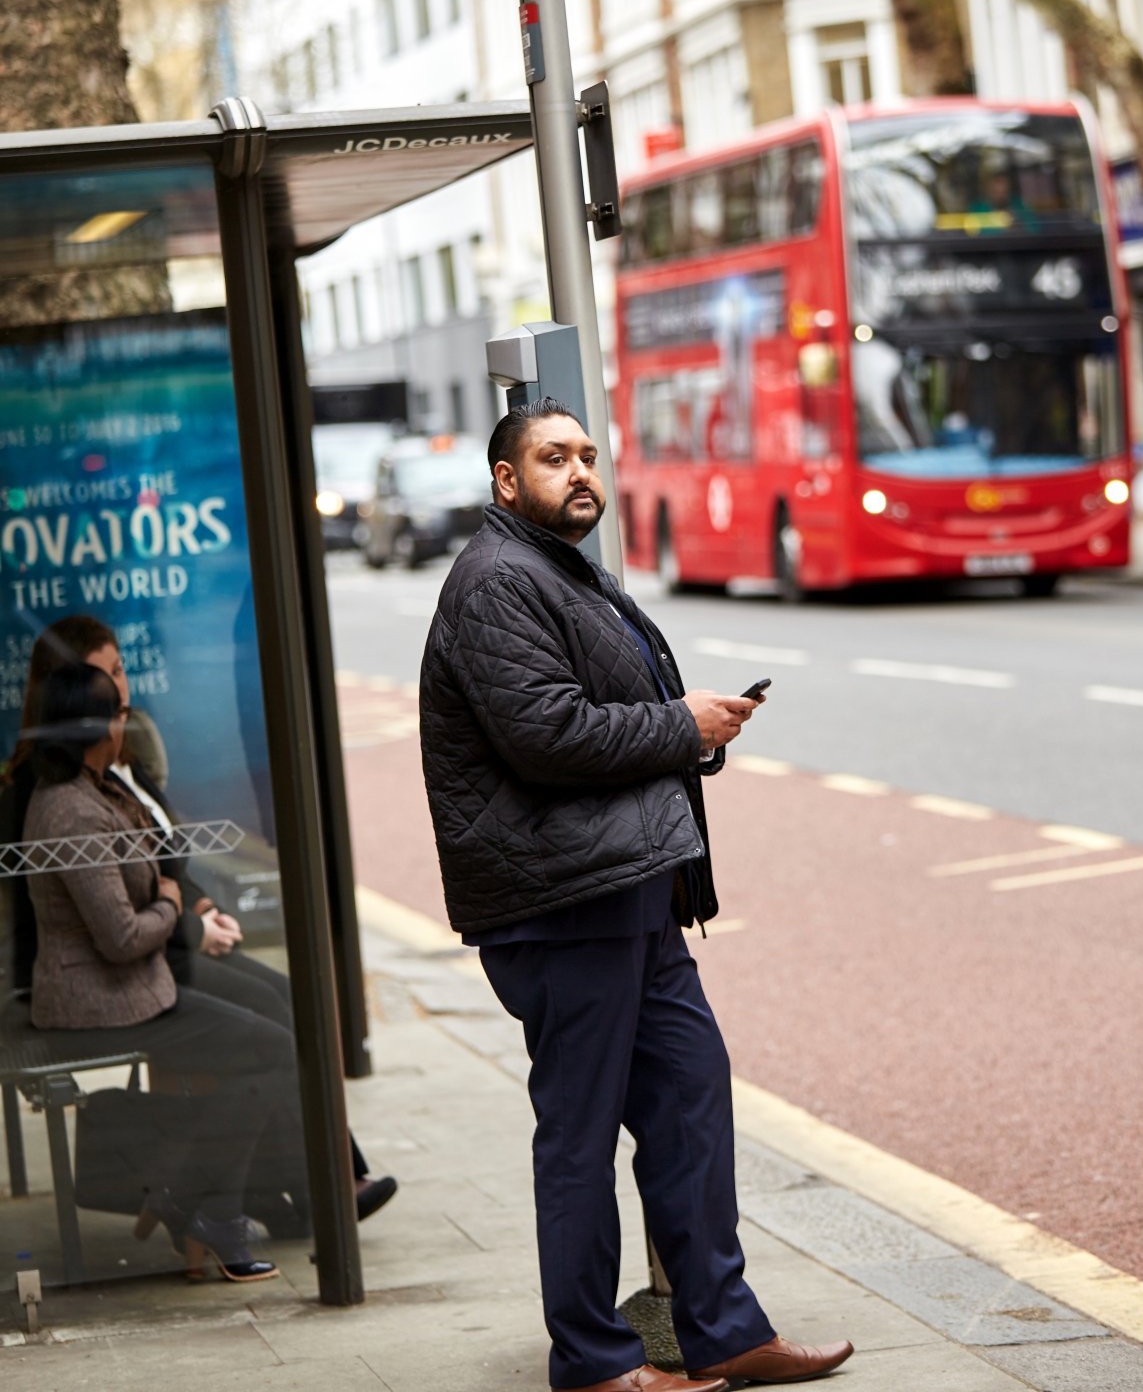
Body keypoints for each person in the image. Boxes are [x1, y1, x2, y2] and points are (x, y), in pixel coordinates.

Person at [419, 398, 853, 1392]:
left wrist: (692, 728)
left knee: (692, 1098)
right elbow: (548, 736)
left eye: (587, 454)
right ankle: (595, 1361)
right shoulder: (495, 580)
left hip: (630, 896)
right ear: (505, 481)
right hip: (561, 905)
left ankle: (722, 1330)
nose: (580, 471)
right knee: (578, 1136)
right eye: (553, 457)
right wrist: (679, 724)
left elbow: (600, 718)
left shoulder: (558, 570)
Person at [1, 614, 396, 1226]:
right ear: (73, 698)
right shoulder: (56, 792)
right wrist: (183, 919)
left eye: (121, 672)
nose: (121, 694)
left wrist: (197, 905)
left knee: (285, 1003)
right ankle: (297, 1189)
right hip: (129, 970)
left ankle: (306, 1184)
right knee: (270, 1028)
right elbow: (113, 919)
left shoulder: (116, 768)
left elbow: (160, 861)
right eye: (106, 680)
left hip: (160, 947)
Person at [22, 661, 298, 1280]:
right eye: (119, 715)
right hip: (102, 1000)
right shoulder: (71, 811)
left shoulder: (99, 786)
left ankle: (204, 1204)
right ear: (97, 727)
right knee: (271, 1048)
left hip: (137, 984)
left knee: (270, 1032)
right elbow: (121, 937)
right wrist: (173, 903)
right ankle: (201, 1200)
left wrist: (171, 892)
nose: (128, 726)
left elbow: (158, 861)